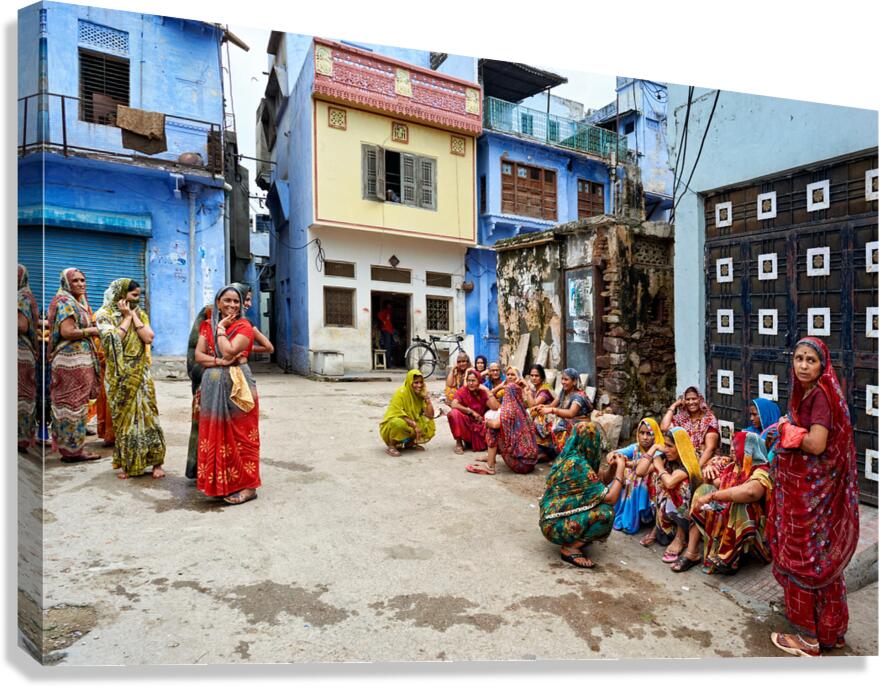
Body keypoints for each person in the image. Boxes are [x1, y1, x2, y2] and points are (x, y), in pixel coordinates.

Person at [767, 337, 859, 657]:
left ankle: (807, 638)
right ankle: (830, 631)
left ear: (823, 365)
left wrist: (786, 432)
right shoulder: (811, 392)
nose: (803, 366)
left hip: (812, 498)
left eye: (811, 360)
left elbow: (818, 444)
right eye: (799, 359)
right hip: (808, 494)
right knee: (822, 560)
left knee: (804, 559)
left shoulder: (820, 396)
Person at [193, 284, 261, 505]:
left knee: (242, 434)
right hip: (213, 385)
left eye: (236, 301)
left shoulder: (245, 326)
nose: (232, 305)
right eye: (227, 301)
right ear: (218, 303)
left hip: (238, 384)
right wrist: (217, 362)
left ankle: (249, 487)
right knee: (215, 433)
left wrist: (221, 329)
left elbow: (229, 349)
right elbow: (199, 355)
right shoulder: (205, 325)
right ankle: (221, 483)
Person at [95, 279, 166, 479]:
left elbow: (149, 338)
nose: (138, 298)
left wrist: (133, 316)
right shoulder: (104, 315)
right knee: (124, 420)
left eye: (139, 295)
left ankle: (156, 462)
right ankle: (128, 464)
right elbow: (112, 340)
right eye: (134, 295)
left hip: (140, 373)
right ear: (120, 295)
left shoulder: (139, 312)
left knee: (149, 416)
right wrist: (126, 317)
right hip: (118, 375)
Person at [539, 423, 630, 569]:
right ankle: (570, 548)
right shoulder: (577, 464)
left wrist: (612, 468)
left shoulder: (573, 455)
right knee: (606, 513)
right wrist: (621, 468)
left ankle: (576, 536)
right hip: (554, 526)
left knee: (599, 505)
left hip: (551, 519)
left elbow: (600, 479)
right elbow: (611, 498)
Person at [687, 431, 773, 574]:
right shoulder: (731, 466)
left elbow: (750, 492)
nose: (732, 448)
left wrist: (712, 496)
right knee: (702, 491)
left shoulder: (761, 471)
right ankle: (691, 552)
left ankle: (730, 557)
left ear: (750, 449)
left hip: (757, 523)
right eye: (733, 445)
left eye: (737, 445)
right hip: (727, 512)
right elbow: (717, 484)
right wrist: (708, 473)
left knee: (740, 504)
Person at [47, 268, 101, 462]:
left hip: (77, 362)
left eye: (82, 280)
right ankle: (73, 452)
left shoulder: (76, 302)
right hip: (70, 363)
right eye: (75, 281)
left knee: (74, 406)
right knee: (71, 406)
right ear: (66, 283)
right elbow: (67, 332)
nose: (80, 284)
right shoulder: (66, 303)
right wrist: (93, 331)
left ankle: (71, 449)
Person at [648, 427, 703, 570]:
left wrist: (659, 468)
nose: (665, 449)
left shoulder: (689, 462)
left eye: (669, 446)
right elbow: (641, 471)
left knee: (678, 485)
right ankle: (660, 525)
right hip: (668, 512)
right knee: (654, 477)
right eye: (664, 445)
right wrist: (654, 449)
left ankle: (681, 536)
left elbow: (671, 483)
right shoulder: (667, 458)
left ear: (680, 447)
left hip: (688, 514)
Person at [472, 367, 539, 475]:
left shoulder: (508, 410)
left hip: (520, 465)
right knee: (499, 427)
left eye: (513, 375)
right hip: (531, 463)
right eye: (508, 374)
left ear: (507, 394)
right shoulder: (522, 409)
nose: (510, 377)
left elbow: (495, 425)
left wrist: (486, 422)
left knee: (493, 430)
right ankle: (491, 457)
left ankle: (490, 466)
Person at [609, 417, 665, 534]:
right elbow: (612, 454)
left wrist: (626, 463)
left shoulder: (659, 451)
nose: (645, 437)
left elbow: (643, 470)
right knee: (625, 473)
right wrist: (614, 458)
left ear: (655, 434)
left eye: (649, 434)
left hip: (649, 487)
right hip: (637, 477)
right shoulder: (635, 447)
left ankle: (635, 517)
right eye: (642, 433)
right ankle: (617, 510)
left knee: (637, 478)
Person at [661, 386, 720, 478]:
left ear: (700, 400)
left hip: (702, 460)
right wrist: (674, 405)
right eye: (688, 399)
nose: (691, 402)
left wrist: (695, 469)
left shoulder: (709, 419)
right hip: (683, 457)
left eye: (694, 399)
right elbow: (664, 428)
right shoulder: (682, 418)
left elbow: (710, 448)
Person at [533, 368, 592, 457]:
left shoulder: (579, 396)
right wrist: (542, 407)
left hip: (579, 423)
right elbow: (552, 405)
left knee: (557, 425)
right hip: (567, 419)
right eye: (562, 379)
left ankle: (563, 456)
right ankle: (546, 450)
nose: (563, 382)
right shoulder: (564, 392)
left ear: (574, 382)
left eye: (566, 379)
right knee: (540, 418)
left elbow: (571, 413)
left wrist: (552, 410)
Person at [379, 369, 436, 457]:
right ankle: (392, 445)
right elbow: (397, 414)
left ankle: (409, 444)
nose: (419, 385)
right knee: (398, 423)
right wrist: (414, 425)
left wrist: (427, 398)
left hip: (410, 426)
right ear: (410, 382)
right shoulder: (401, 393)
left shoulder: (420, 395)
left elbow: (430, 415)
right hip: (392, 427)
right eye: (416, 383)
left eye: (421, 382)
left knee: (427, 423)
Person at [448, 368, 497, 455]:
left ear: (479, 381)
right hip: (467, 423)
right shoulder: (463, 391)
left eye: (473, 381)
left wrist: (487, 390)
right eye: (469, 380)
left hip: (480, 425)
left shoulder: (483, 392)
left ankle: (471, 442)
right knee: (453, 413)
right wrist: (470, 411)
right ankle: (459, 443)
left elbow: (495, 408)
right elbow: (454, 404)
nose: (470, 383)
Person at [17, 265, 39, 452]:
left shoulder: (22, 297)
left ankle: (20, 438)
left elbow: (21, 326)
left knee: (21, 397)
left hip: (20, 354)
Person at [377, 300, 395, 365]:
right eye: (389, 305)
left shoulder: (390, 311)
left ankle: (389, 363)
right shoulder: (385, 311)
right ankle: (388, 364)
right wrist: (384, 320)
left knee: (390, 347)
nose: (390, 306)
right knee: (388, 347)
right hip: (386, 330)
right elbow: (379, 314)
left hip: (389, 331)